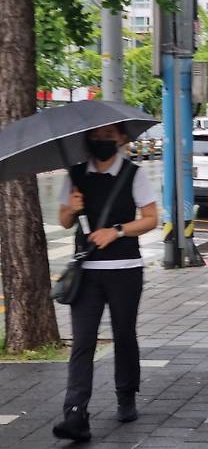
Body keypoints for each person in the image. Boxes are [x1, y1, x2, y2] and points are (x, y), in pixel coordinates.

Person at [53, 123, 158, 442]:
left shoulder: (133, 174)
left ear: (121, 139)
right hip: (87, 272)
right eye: (95, 137)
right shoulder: (75, 175)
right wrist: (73, 209)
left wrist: (117, 231)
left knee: (124, 334)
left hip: (125, 269)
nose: (101, 141)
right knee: (82, 341)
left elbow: (151, 218)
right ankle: (75, 413)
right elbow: (64, 220)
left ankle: (126, 394)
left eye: (108, 136)